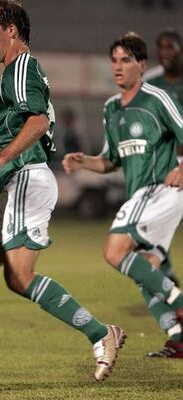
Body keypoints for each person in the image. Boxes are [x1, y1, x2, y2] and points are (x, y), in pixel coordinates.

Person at [0, 0, 125, 386]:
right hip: (12, 181)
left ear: (13, 31)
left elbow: (37, 122)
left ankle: (101, 332)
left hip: (27, 179)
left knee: (20, 277)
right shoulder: (9, 74)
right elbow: (19, 129)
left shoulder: (21, 66)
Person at [63, 32, 183, 358]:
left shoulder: (156, 98)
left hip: (160, 191)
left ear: (141, 66)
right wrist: (83, 160)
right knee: (146, 268)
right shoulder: (111, 108)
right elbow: (110, 160)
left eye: (126, 60)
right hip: (140, 197)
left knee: (114, 251)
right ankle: (177, 336)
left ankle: (180, 305)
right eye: (114, 60)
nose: (118, 67)